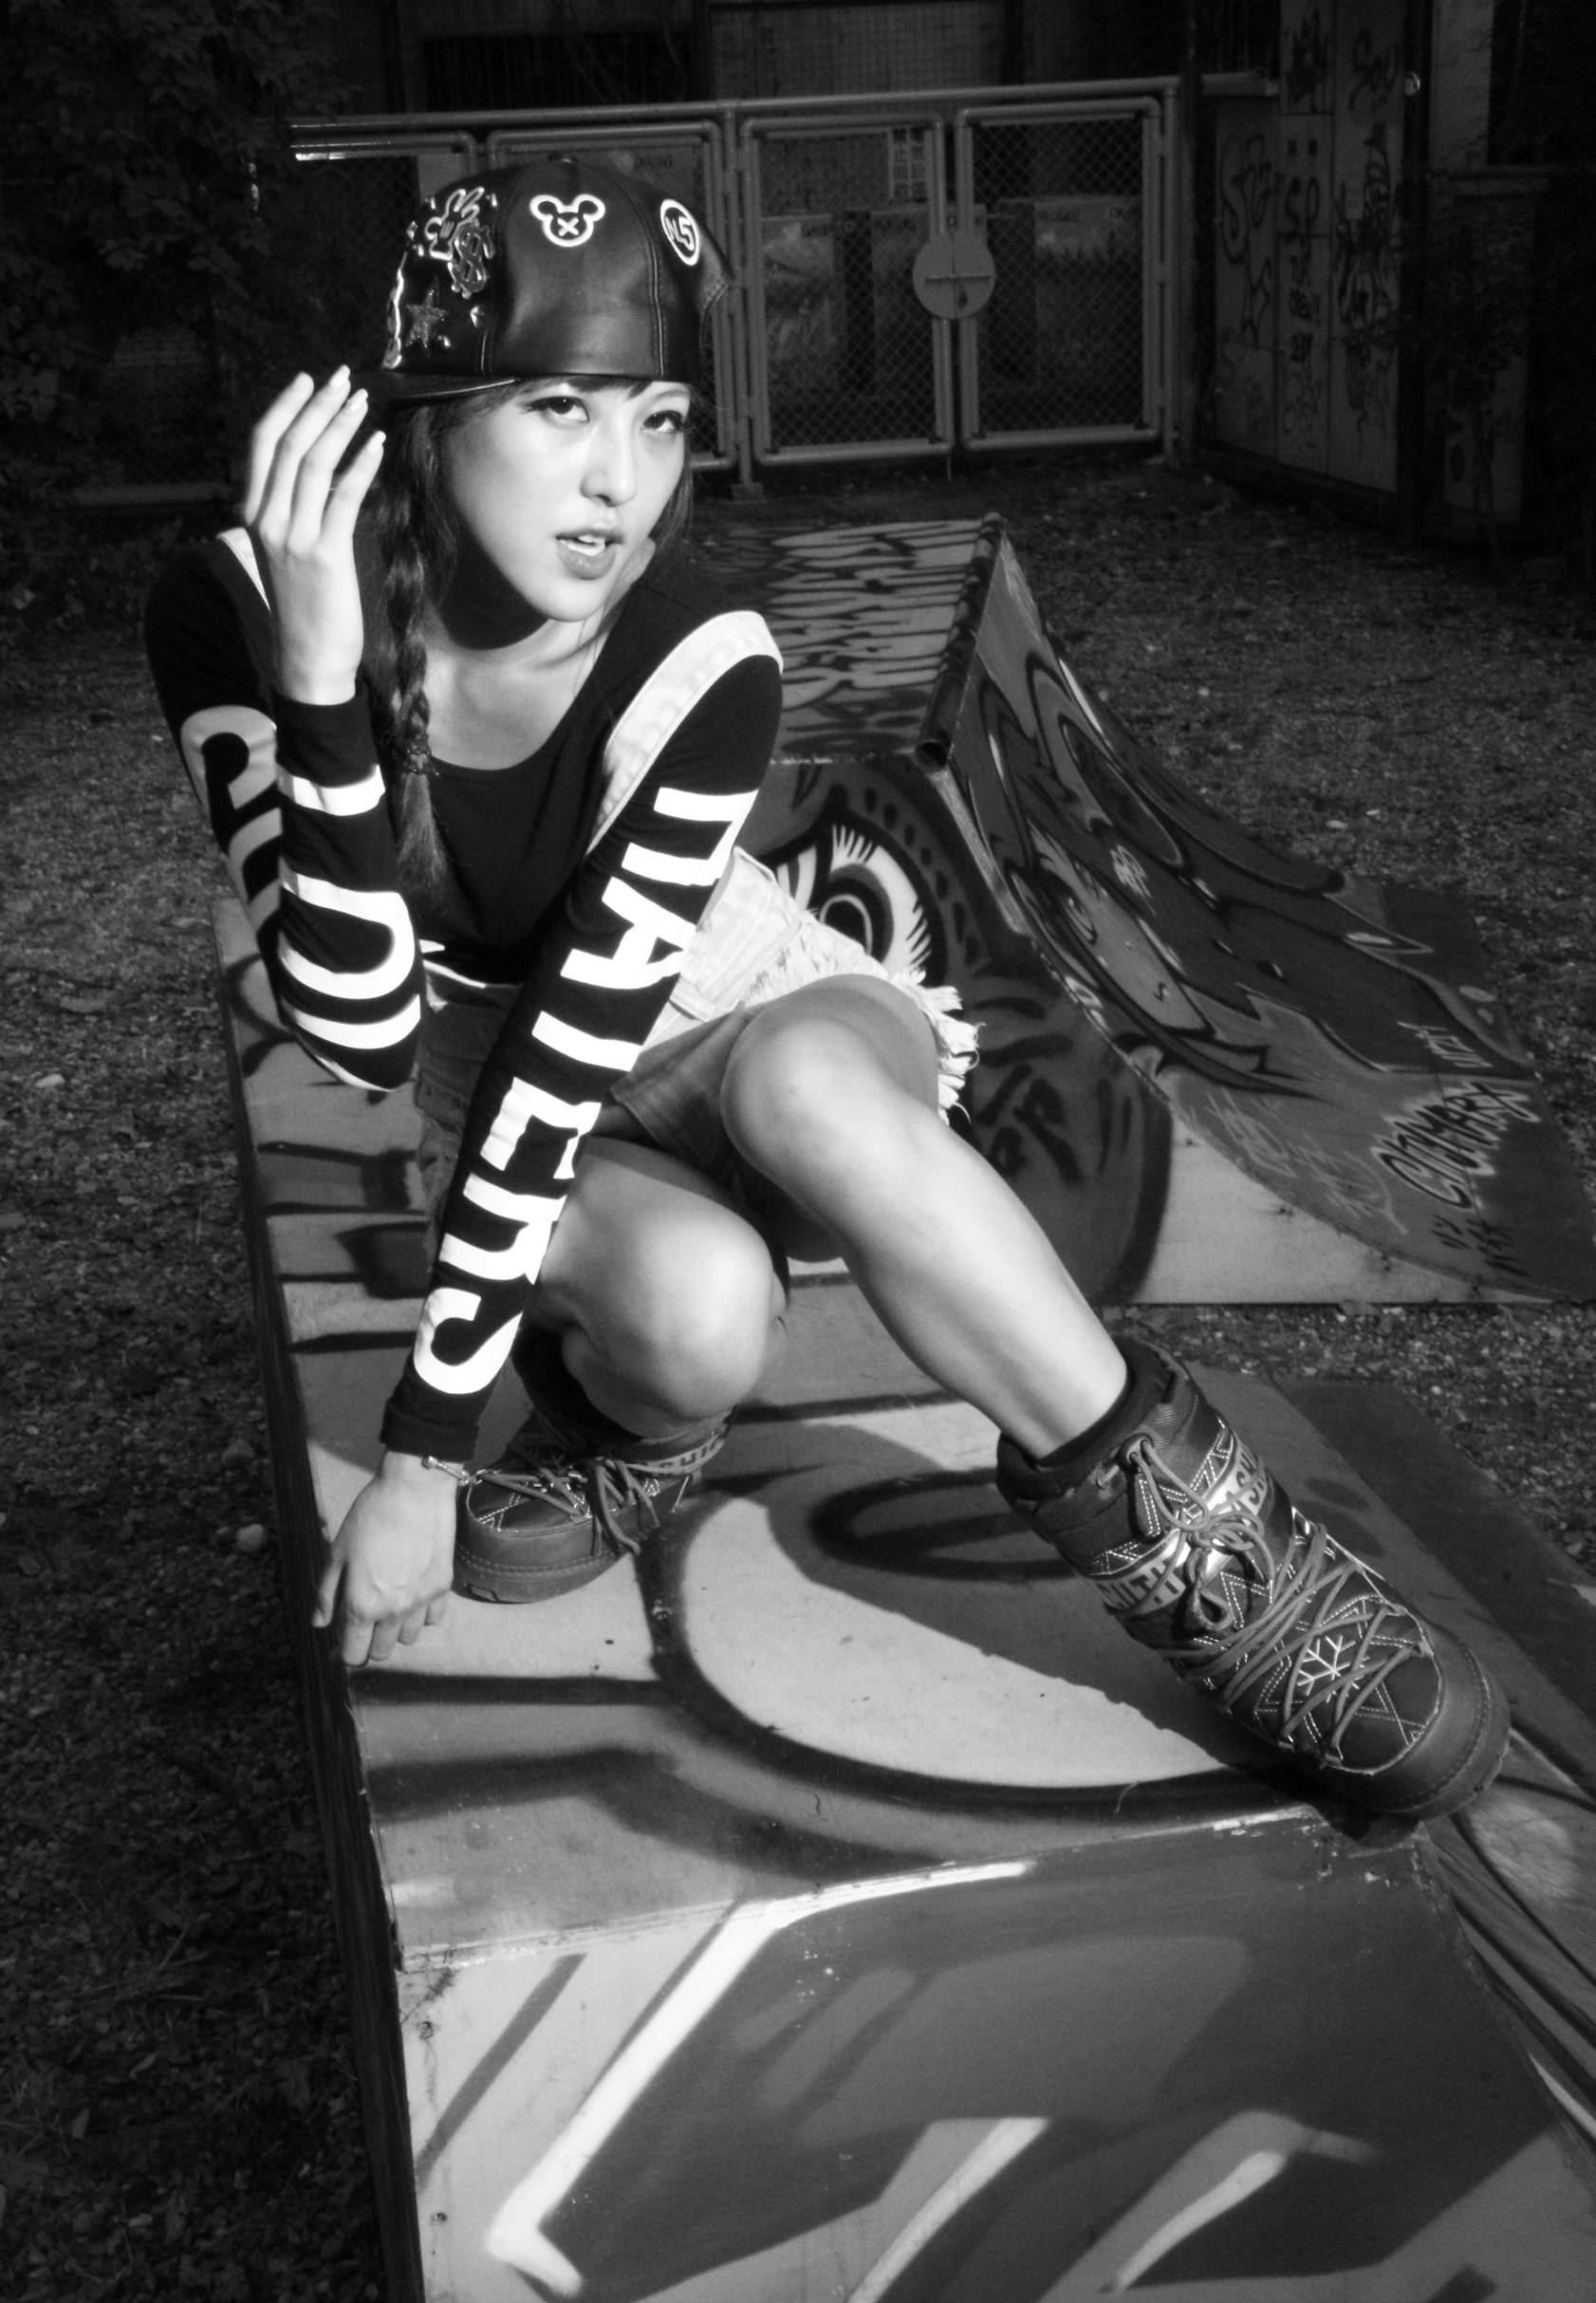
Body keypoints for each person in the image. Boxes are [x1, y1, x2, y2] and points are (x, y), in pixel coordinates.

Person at [145, 154, 1508, 1823]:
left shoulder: (698, 656)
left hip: (738, 997)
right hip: (480, 1063)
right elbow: (356, 1030)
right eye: (562, 408)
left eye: (659, 420)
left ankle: (1236, 1577)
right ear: (429, 413)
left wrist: (421, 1457)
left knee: (805, 1096)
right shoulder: (230, 608)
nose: (621, 481)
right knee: (700, 1315)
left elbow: (584, 1042)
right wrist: (316, 683)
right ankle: (631, 1437)